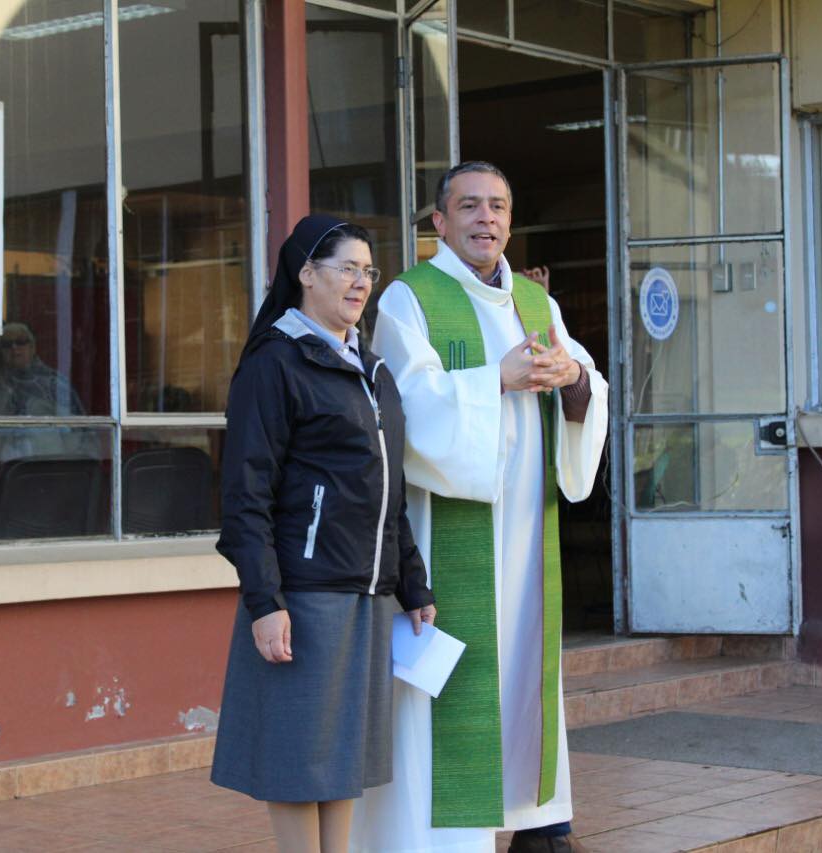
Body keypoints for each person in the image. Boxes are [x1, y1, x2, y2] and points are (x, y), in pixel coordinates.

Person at [352, 162, 608, 853]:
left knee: (523, 683)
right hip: (446, 539)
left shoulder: (534, 300)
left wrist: (573, 378)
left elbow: (585, 380)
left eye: (497, 206)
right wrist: (497, 378)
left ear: (510, 221)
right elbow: (404, 408)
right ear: (440, 222)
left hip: (526, 534)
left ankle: (533, 830)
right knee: (444, 703)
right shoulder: (411, 297)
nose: (484, 219)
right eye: (469, 206)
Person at [211, 215, 437, 853]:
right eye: (347, 268)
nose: (362, 282)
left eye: (369, 271)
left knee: (341, 759)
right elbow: (245, 495)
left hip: (365, 593)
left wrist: (412, 583)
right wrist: (265, 601)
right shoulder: (276, 363)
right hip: (303, 594)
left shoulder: (370, 369)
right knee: (296, 759)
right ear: (306, 274)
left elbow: (386, 488)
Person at [0, 322, 89, 459]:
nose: (14, 348)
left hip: (48, 464)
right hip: (6, 467)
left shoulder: (53, 383)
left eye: (21, 342)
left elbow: (78, 433)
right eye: (7, 344)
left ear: (32, 347)